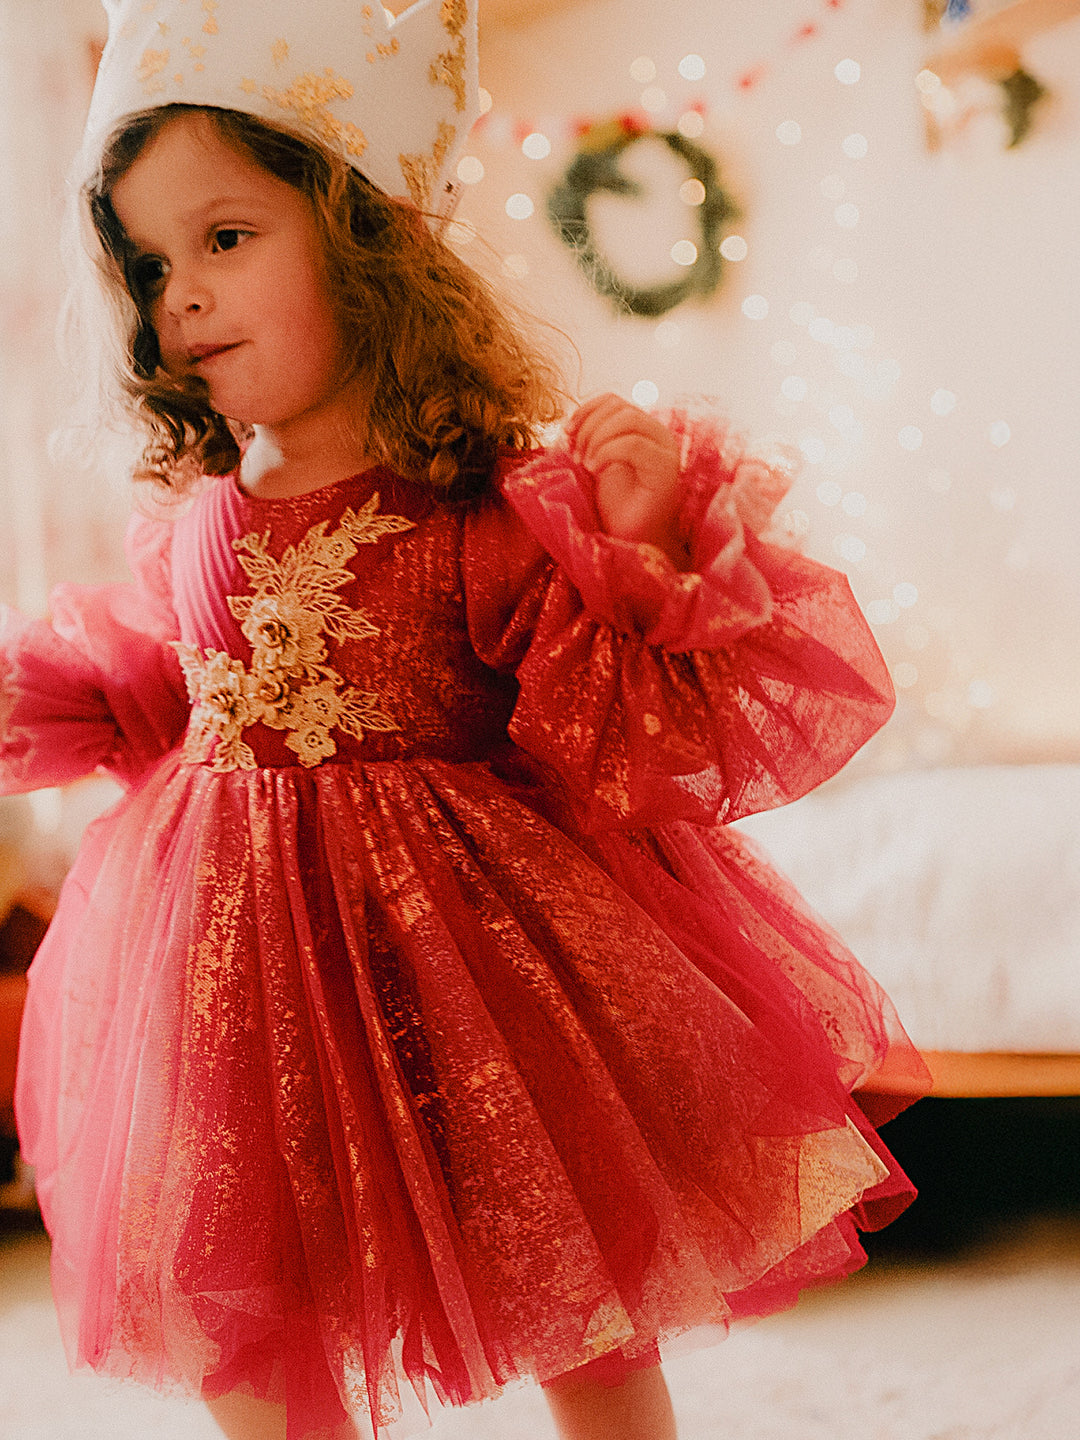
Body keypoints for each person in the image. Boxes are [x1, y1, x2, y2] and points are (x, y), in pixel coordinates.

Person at [0, 3, 929, 1438]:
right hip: (225, 973)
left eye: (226, 237)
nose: (177, 292)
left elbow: (619, 722)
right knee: (252, 1284)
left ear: (365, 240)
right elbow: (156, 680)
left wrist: (640, 554)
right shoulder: (198, 514)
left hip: (466, 954)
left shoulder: (479, 506)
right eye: (147, 259)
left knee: (568, 1255)